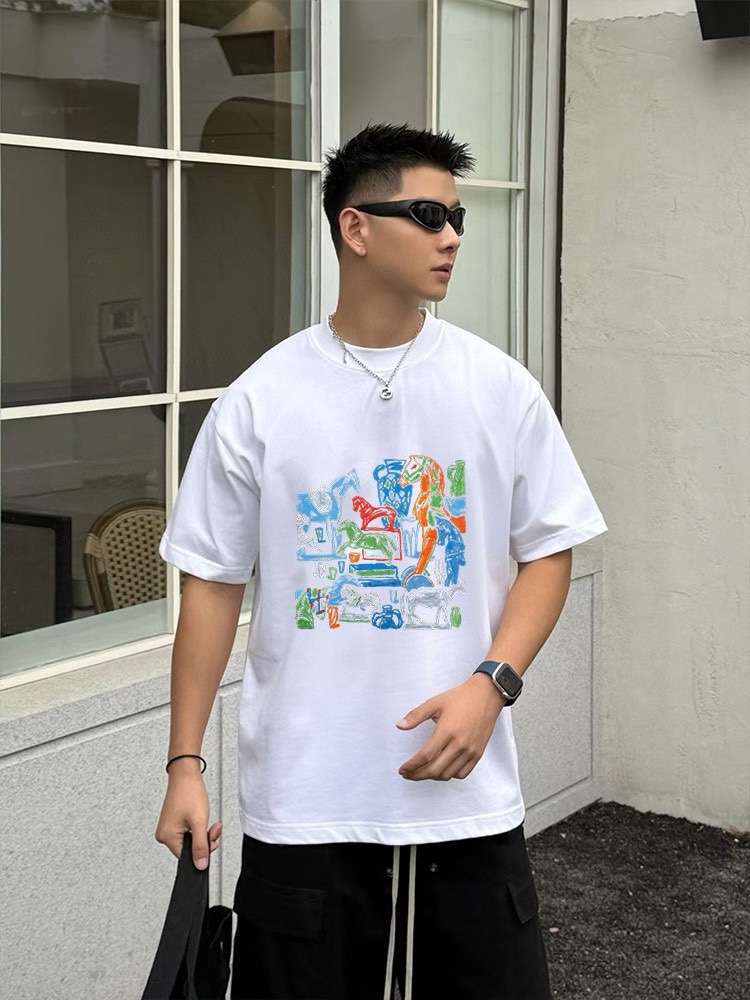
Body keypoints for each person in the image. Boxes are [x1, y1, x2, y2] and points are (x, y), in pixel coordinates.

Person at [155, 122, 607, 1000]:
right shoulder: (261, 399)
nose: (452, 237)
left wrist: (492, 685)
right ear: (355, 228)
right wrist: (184, 766)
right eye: (429, 215)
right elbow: (210, 585)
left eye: (458, 217)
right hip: (305, 803)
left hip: (466, 801)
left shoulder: (499, 388)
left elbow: (549, 551)